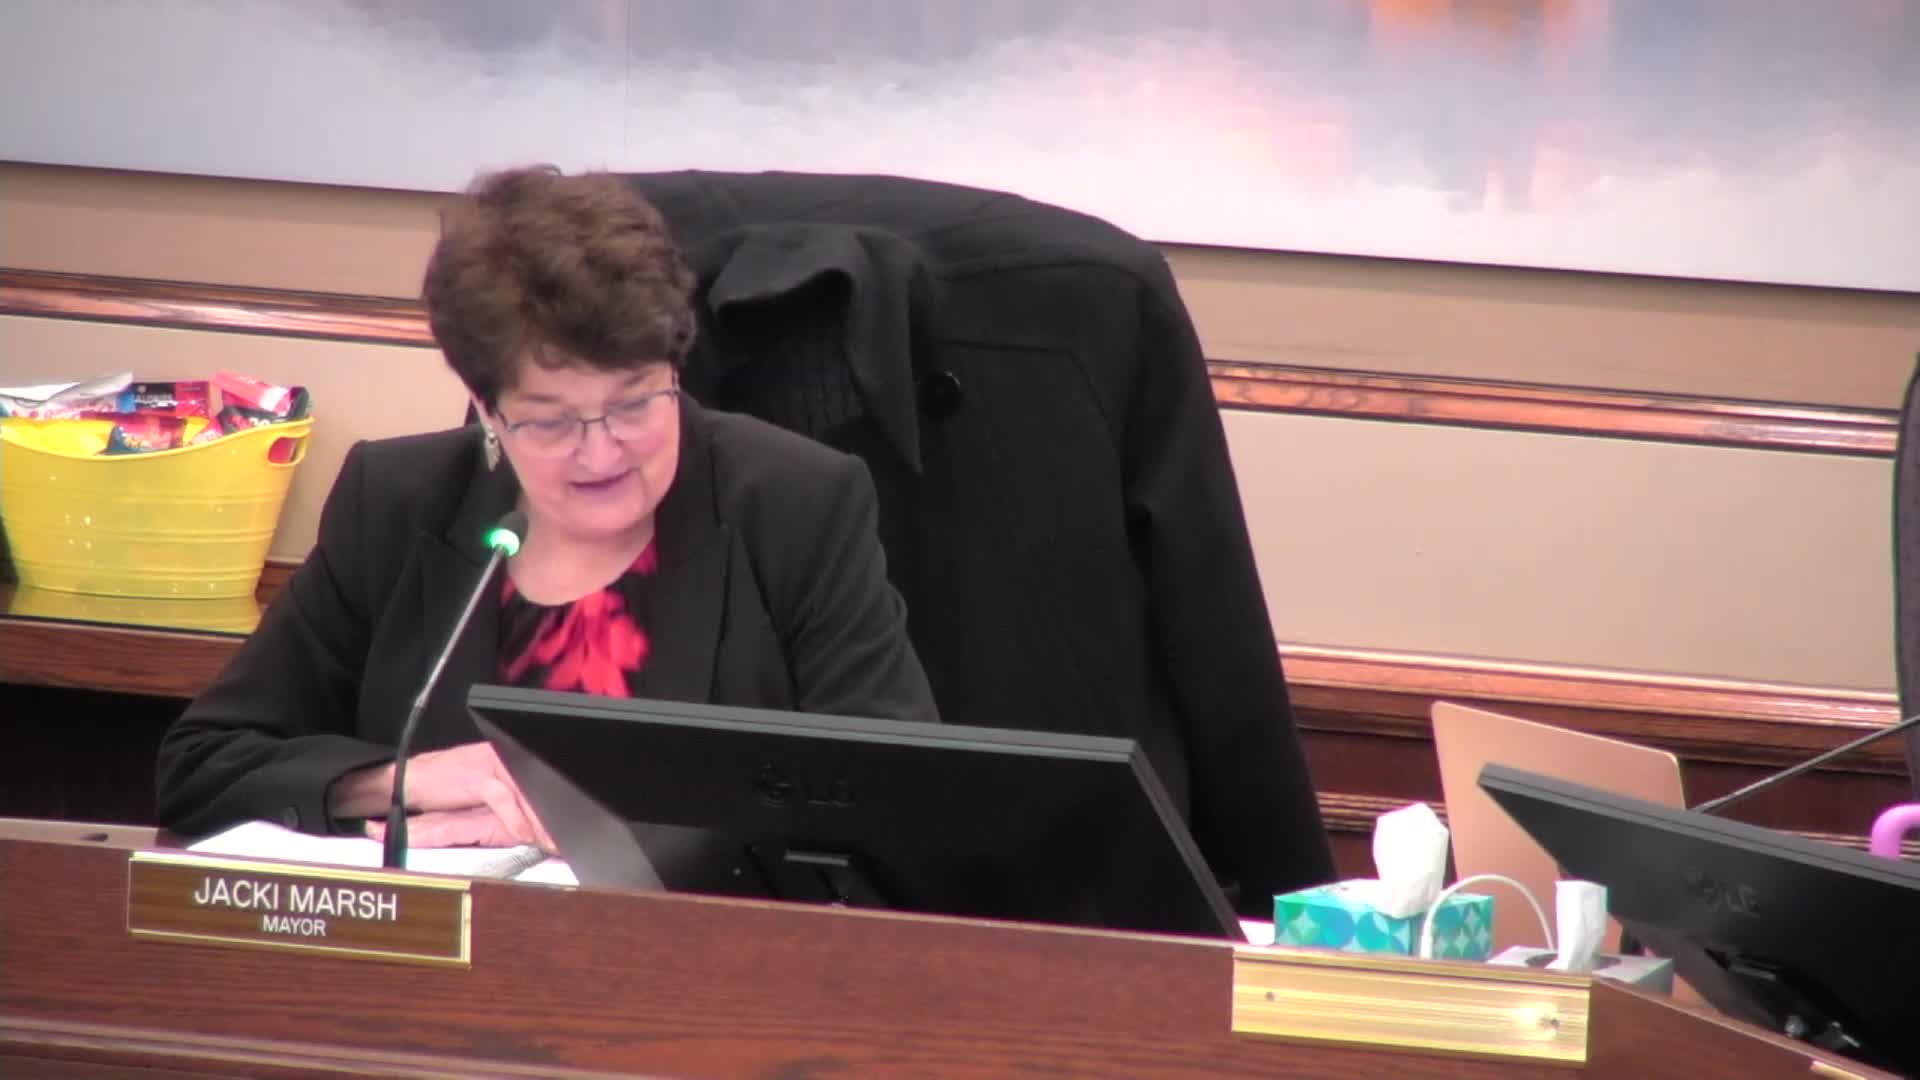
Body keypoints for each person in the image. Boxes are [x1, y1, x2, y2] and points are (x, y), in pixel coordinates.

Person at [154, 166, 938, 847]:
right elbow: (203, 766)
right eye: (553, 422)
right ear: (486, 410)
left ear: (674, 369)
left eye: (634, 404)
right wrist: (399, 781)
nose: (601, 453)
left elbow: (893, 791)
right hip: (448, 947)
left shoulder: (793, 505)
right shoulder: (396, 505)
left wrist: (612, 820)